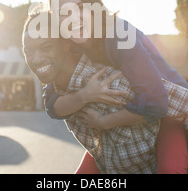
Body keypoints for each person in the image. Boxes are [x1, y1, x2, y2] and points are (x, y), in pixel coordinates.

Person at [44, 0, 188, 174]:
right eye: (63, 14)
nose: (73, 19)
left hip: (169, 114)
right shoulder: (70, 47)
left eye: (80, 7)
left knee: (170, 170)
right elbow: (51, 102)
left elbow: (156, 104)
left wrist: (104, 122)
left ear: (94, 8)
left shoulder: (119, 35)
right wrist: (86, 95)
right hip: (124, 122)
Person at [23, 14, 159, 173]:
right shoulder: (59, 86)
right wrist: (85, 95)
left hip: (162, 139)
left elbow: (163, 104)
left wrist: (105, 121)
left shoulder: (111, 73)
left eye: (46, 47)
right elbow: (52, 107)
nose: (37, 58)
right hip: (108, 160)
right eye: (29, 51)